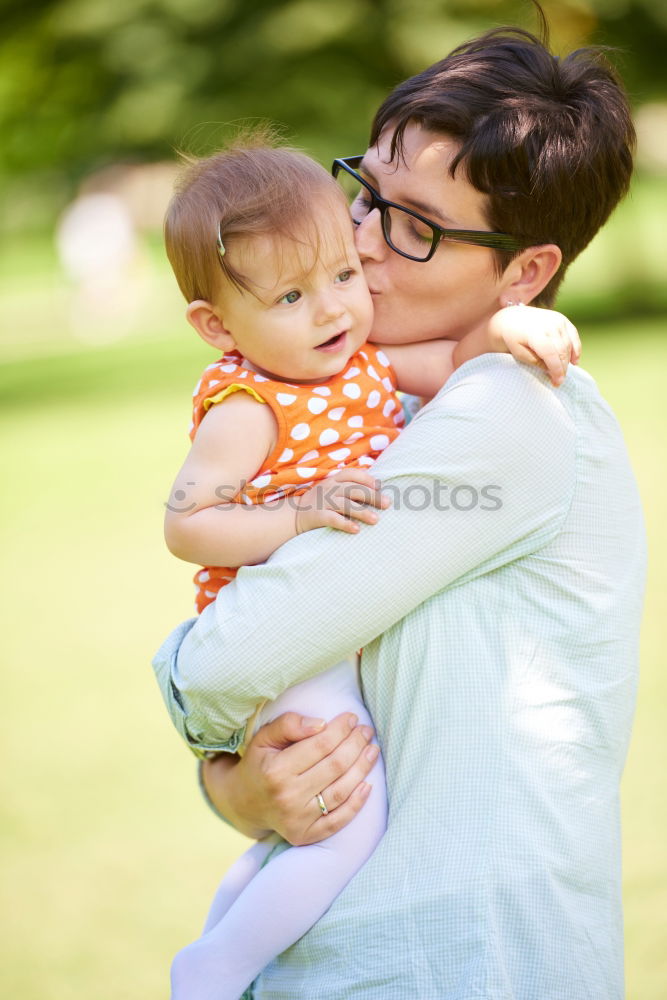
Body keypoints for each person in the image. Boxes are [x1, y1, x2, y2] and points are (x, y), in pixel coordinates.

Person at [153, 24, 646, 1000]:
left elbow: (228, 658)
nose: (362, 241)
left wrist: (189, 697)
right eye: (364, 191)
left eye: (412, 223)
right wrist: (237, 783)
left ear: (527, 271)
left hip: (451, 964)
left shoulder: (507, 411)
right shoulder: (374, 392)